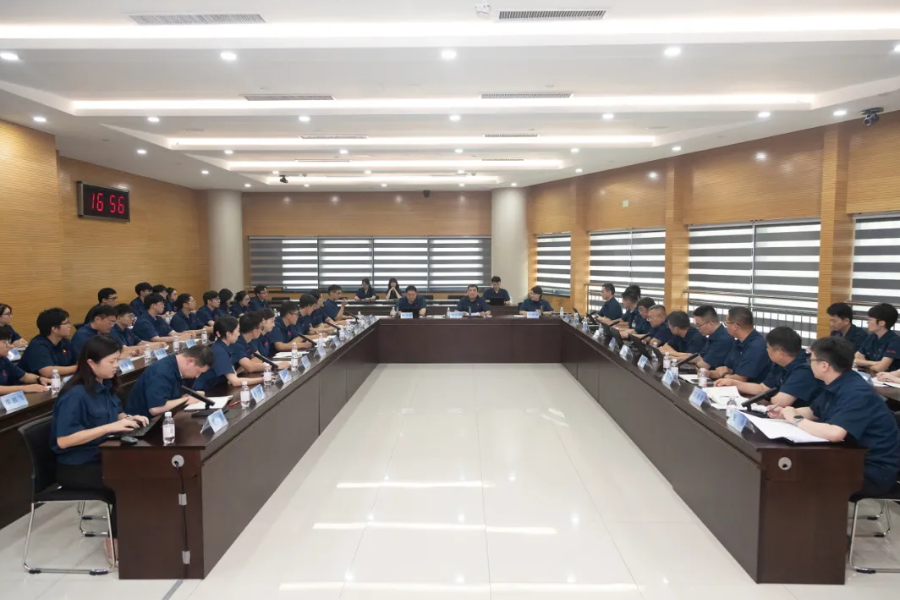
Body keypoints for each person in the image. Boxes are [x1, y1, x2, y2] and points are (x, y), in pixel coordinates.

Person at [50, 335, 150, 565]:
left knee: (148, 470)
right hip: (76, 466)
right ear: (91, 363)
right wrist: (109, 427)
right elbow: (64, 440)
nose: (116, 366)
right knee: (128, 481)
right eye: (111, 361)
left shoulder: (104, 386)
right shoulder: (75, 395)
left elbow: (114, 414)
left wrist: (128, 418)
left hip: (102, 456)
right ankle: (115, 542)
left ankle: (141, 530)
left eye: (117, 361)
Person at [769, 337, 900, 496]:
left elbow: (836, 433)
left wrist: (796, 420)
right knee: (789, 468)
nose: (809, 364)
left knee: (798, 474)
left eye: (811, 360)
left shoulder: (857, 392)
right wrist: (785, 412)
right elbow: (813, 411)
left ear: (824, 366)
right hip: (847, 456)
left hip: (872, 470)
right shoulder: (837, 382)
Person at [715, 326, 823, 408]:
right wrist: (735, 383)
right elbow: (762, 388)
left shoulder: (804, 369)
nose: (766, 350)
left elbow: (780, 402)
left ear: (780, 353)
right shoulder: (780, 364)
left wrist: (765, 398)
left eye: (768, 348)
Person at [127, 345, 214, 418]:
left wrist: (193, 396)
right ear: (190, 361)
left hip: (168, 417)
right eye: (198, 372)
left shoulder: (182, 370)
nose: (197, 376)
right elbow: (155, 409)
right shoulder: (161, 372)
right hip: (143, 424)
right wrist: (187, 399)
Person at [193, 317, 264, 391]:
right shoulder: (219, 351)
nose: (239, 334)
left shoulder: (227, 346)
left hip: (218, 386)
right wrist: (262, 379)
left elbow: (232, 371)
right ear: (228, 334)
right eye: (237, 331)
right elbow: (235, 382)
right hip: (204, 390)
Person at [712, 307, 771, 383]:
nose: (725, 327)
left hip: (750, 388)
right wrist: (708, 373)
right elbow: (727, 369)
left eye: (726, 323)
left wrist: (724, 374)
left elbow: (740, 379)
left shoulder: (757, 346)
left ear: (735, 326)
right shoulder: (738, 342)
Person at [19, 308, 77, 377]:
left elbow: (79, 360)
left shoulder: (65, 341)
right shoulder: (38, 346)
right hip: (33, 382)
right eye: (66, 323)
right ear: (55, 329)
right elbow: (47, 371)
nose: (69, 325)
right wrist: (77, 368)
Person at [0, 326, 51, 394]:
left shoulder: (3, 359)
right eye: (4, 342)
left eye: (8, 342)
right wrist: (24, 388)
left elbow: (24, 376)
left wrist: (40, 379)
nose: (8, 346)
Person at [855, 303, 900, 373]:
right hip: (869, 374)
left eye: (870, 320)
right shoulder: (871, 337)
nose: (867, 322)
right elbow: (856, 359)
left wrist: (864, 363)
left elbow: (881, 368)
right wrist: (874, 363)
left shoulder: (895, 341)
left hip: (886, 377)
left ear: (882, 323)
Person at [693, 305, 734, 370]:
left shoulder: (723, 339)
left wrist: (699, 361)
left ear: (711, 323)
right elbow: (699, 356)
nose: (698, 328)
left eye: (699, 325)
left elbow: (705, 365)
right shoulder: (712, 336)